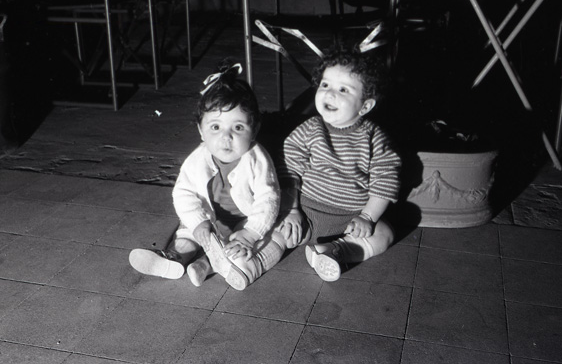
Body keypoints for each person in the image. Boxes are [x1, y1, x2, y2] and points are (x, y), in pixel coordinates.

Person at [129, 63, 285, 290]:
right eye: (215, 127)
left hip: (245, 220)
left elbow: (268, 198)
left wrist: (250, 233)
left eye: (238, 127)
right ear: (201, 130)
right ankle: (176, 256)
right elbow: (183, 193)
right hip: (210, 220)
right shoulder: (198, 159)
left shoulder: (257, 159)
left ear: (254, 129)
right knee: (187, 232)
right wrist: (198, 222)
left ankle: (209, 264)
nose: (226, 137)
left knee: (268, 238)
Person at [277, 49, 401, 281]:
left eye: (343, 89)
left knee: (385, 234)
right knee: (278, 232)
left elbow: (385, 181)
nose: (329, 93)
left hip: (351, 219)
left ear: (365, 106)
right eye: (325, 85)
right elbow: (289, 169)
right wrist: (291, 210)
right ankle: (252, 261)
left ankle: (332, 251)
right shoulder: (309, 129)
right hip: (306, 213)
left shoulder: (374, 138)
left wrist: (368, 217)